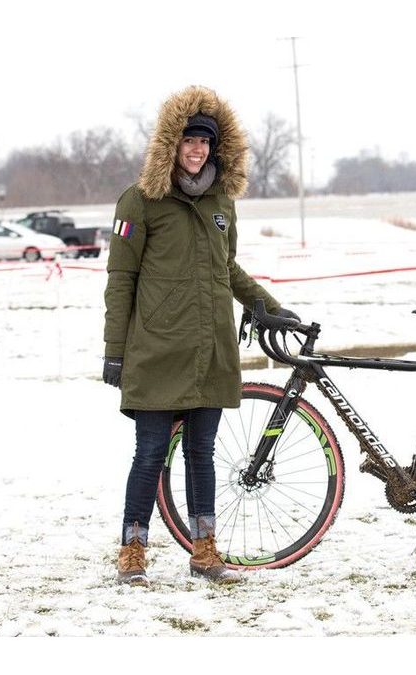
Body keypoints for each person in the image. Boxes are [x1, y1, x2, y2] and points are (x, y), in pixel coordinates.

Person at [102, 85, 299, 586]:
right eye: (189, 140)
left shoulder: (221, 203)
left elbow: (226, 267)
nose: (197, 150)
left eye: (205, 142)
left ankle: (204, 552)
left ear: (216, 148)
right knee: (149, 453)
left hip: (210, 350)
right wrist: (115, 352)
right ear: (172, 143)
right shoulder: (140, 201)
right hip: (156, 352)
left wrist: (268, 306)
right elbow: (120, 279)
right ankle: (132, 551)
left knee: (202, 455)